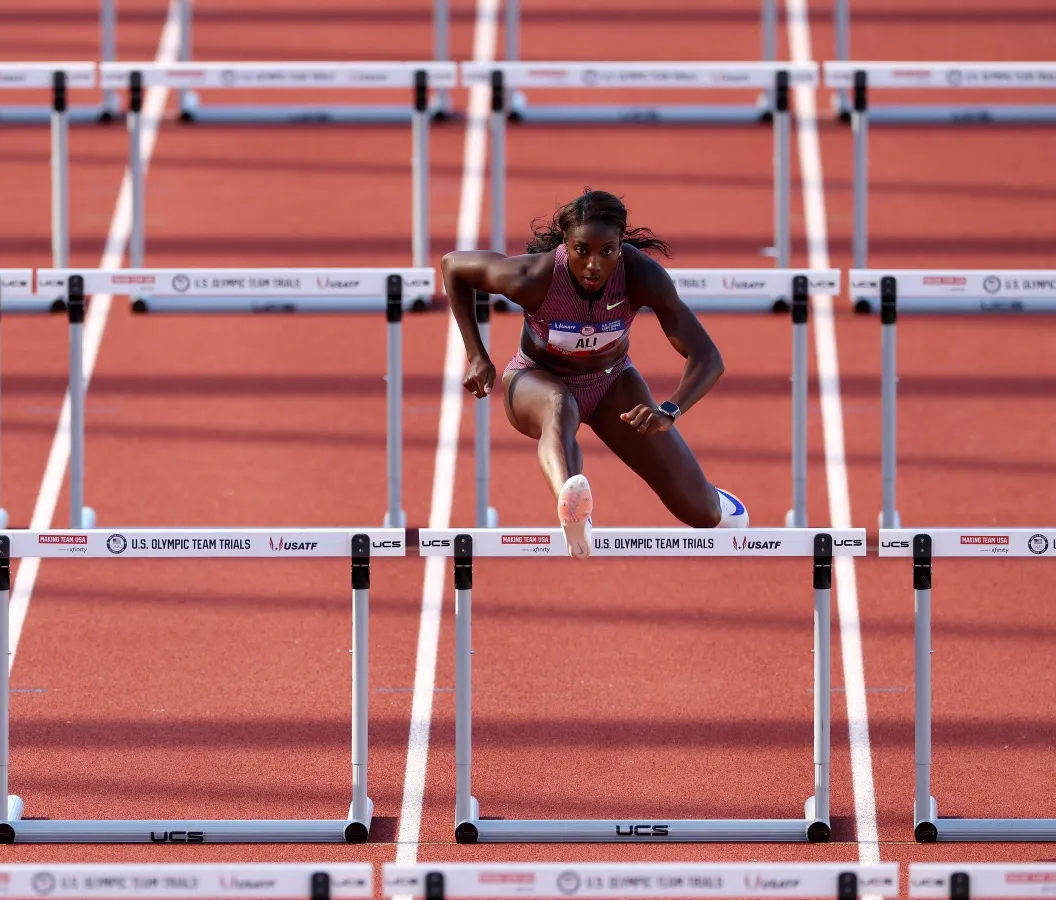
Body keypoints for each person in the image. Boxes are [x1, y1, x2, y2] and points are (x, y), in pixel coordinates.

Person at [441, 189, 748, 560]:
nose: (593, 265)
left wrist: (669, 410)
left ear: (620, 247)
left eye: (607, 252)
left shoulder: (641, 275)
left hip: (611, 382)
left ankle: (713, 500)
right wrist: (477, 356)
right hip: (536, 379)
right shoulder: (533, 276)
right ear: (566, 244)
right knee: (559, 406)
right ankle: (573, 513)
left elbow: (708, 357)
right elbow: (453, 266)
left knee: (704, 514)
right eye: (582, 250)